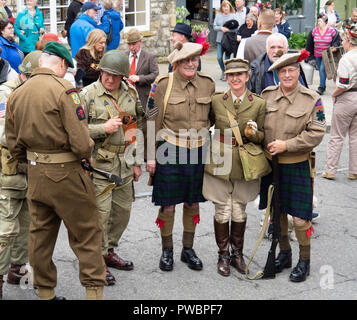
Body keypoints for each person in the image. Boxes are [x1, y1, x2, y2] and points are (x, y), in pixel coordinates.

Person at [5, 41, 107, 300]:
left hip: (35, 173)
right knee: (86, 235)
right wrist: (87, 153)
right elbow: (81, 143)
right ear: (61, 64)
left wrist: (29, 162)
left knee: (40, 236)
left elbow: (13, 142)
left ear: (41, 63)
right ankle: (94, 293)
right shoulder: (65, 89)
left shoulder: (17, 92)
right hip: (67, 174)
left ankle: (46, 294)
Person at [145, 42, 215, 272]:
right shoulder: (162, 85)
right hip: (169, 149)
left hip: (197, 151)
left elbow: (213, 117)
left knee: (193, 202)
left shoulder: (208, 84)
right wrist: (150, 156)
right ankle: (167, 250)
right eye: (186, 60)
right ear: (176, 63)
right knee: (168, 206)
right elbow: (151, 119)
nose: (191, 63)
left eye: (194, 59)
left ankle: (188, 248)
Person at [259, 50, 326, 282]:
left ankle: (304, 261)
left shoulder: (312, 99)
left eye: (291, 70)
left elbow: (316, 133)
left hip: (297, 166)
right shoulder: (266, 96)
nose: (287, 75)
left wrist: (286, 145)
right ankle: (284, 254)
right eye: (282, 71)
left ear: (299, 72)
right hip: (271, 167)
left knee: (300, 218)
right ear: (277, 74)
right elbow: (259, 127)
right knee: (278, 214)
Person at [80, 50, 144, 286]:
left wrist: (136, 162)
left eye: (115, 75)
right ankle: (97, 262)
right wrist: (101, 128)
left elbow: (135, 129)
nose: (109, 79)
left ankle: (108, 250)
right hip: (100, 166)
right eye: (106, 73)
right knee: (100, 216)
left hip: (124, 164)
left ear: (123, 77)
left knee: (121, 214)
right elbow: (73, 130)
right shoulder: (87, 95)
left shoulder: (130, 93)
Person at [202, 58, 266, 277]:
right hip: (220, 159)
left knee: (239, 208)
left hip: (244, 162)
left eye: (240, 74)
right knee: (222, 208)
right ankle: (223, 255)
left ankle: (237, 253)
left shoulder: (258, 103)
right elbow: (205, 125)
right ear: (226, 78)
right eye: (231, 75)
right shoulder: (217, 100)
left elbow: (263, 136)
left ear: (247, 76)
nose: (235, 79)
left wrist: (254, 134)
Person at [0, 50, 41, 301]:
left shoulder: (24, 85)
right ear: (27, 77)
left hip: (28, 171)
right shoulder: (7, 92)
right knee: (5, 228)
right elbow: (5, 135)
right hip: (8, 172)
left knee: (26, 223)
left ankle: (17, 268)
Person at [322, 24, 357, 181]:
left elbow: (342, 84)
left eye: (343, 39)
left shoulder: (345, 59)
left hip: (347, 97)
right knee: (355, 137)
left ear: (349, 40)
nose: (342, 42)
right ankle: (354, 170)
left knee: (337, 136)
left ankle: (330, 170)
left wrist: (334, 95)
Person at [306, 13, 341, 95]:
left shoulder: (331, 31)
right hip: (317, 54)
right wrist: (309, 56)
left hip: (327, 54)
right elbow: (309, 44)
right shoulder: (314, 31)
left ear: (325, 22)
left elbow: (337, 40)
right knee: (321, 70)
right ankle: (323, 86)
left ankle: (321, 87)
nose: (319, 23)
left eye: (320, 21)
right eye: (318, 21)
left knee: (322, 69)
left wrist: (334, 46)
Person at [125, 28, 159, 109]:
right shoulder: (123, 56)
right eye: (129, 44)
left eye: (134, 44)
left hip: (143, 97)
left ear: (140, 42)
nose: (131, 47)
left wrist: (140, 78)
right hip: (125, 97)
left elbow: (155, 75)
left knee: (145, 120)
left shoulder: (149, 57)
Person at [214, 0, 239, 81]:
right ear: (222, 8)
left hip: (229, 40)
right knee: (219, 57)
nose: (225, 8)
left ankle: (226, 74)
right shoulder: (218, 15)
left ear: (229, 7)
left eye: (227, 7)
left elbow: (237, 28)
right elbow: (214, 27)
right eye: (224, 6)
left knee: (227, 59)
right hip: (220, 40)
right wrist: (221, 28)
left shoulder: (233, 16)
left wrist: (228, 30)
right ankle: (223, 70)